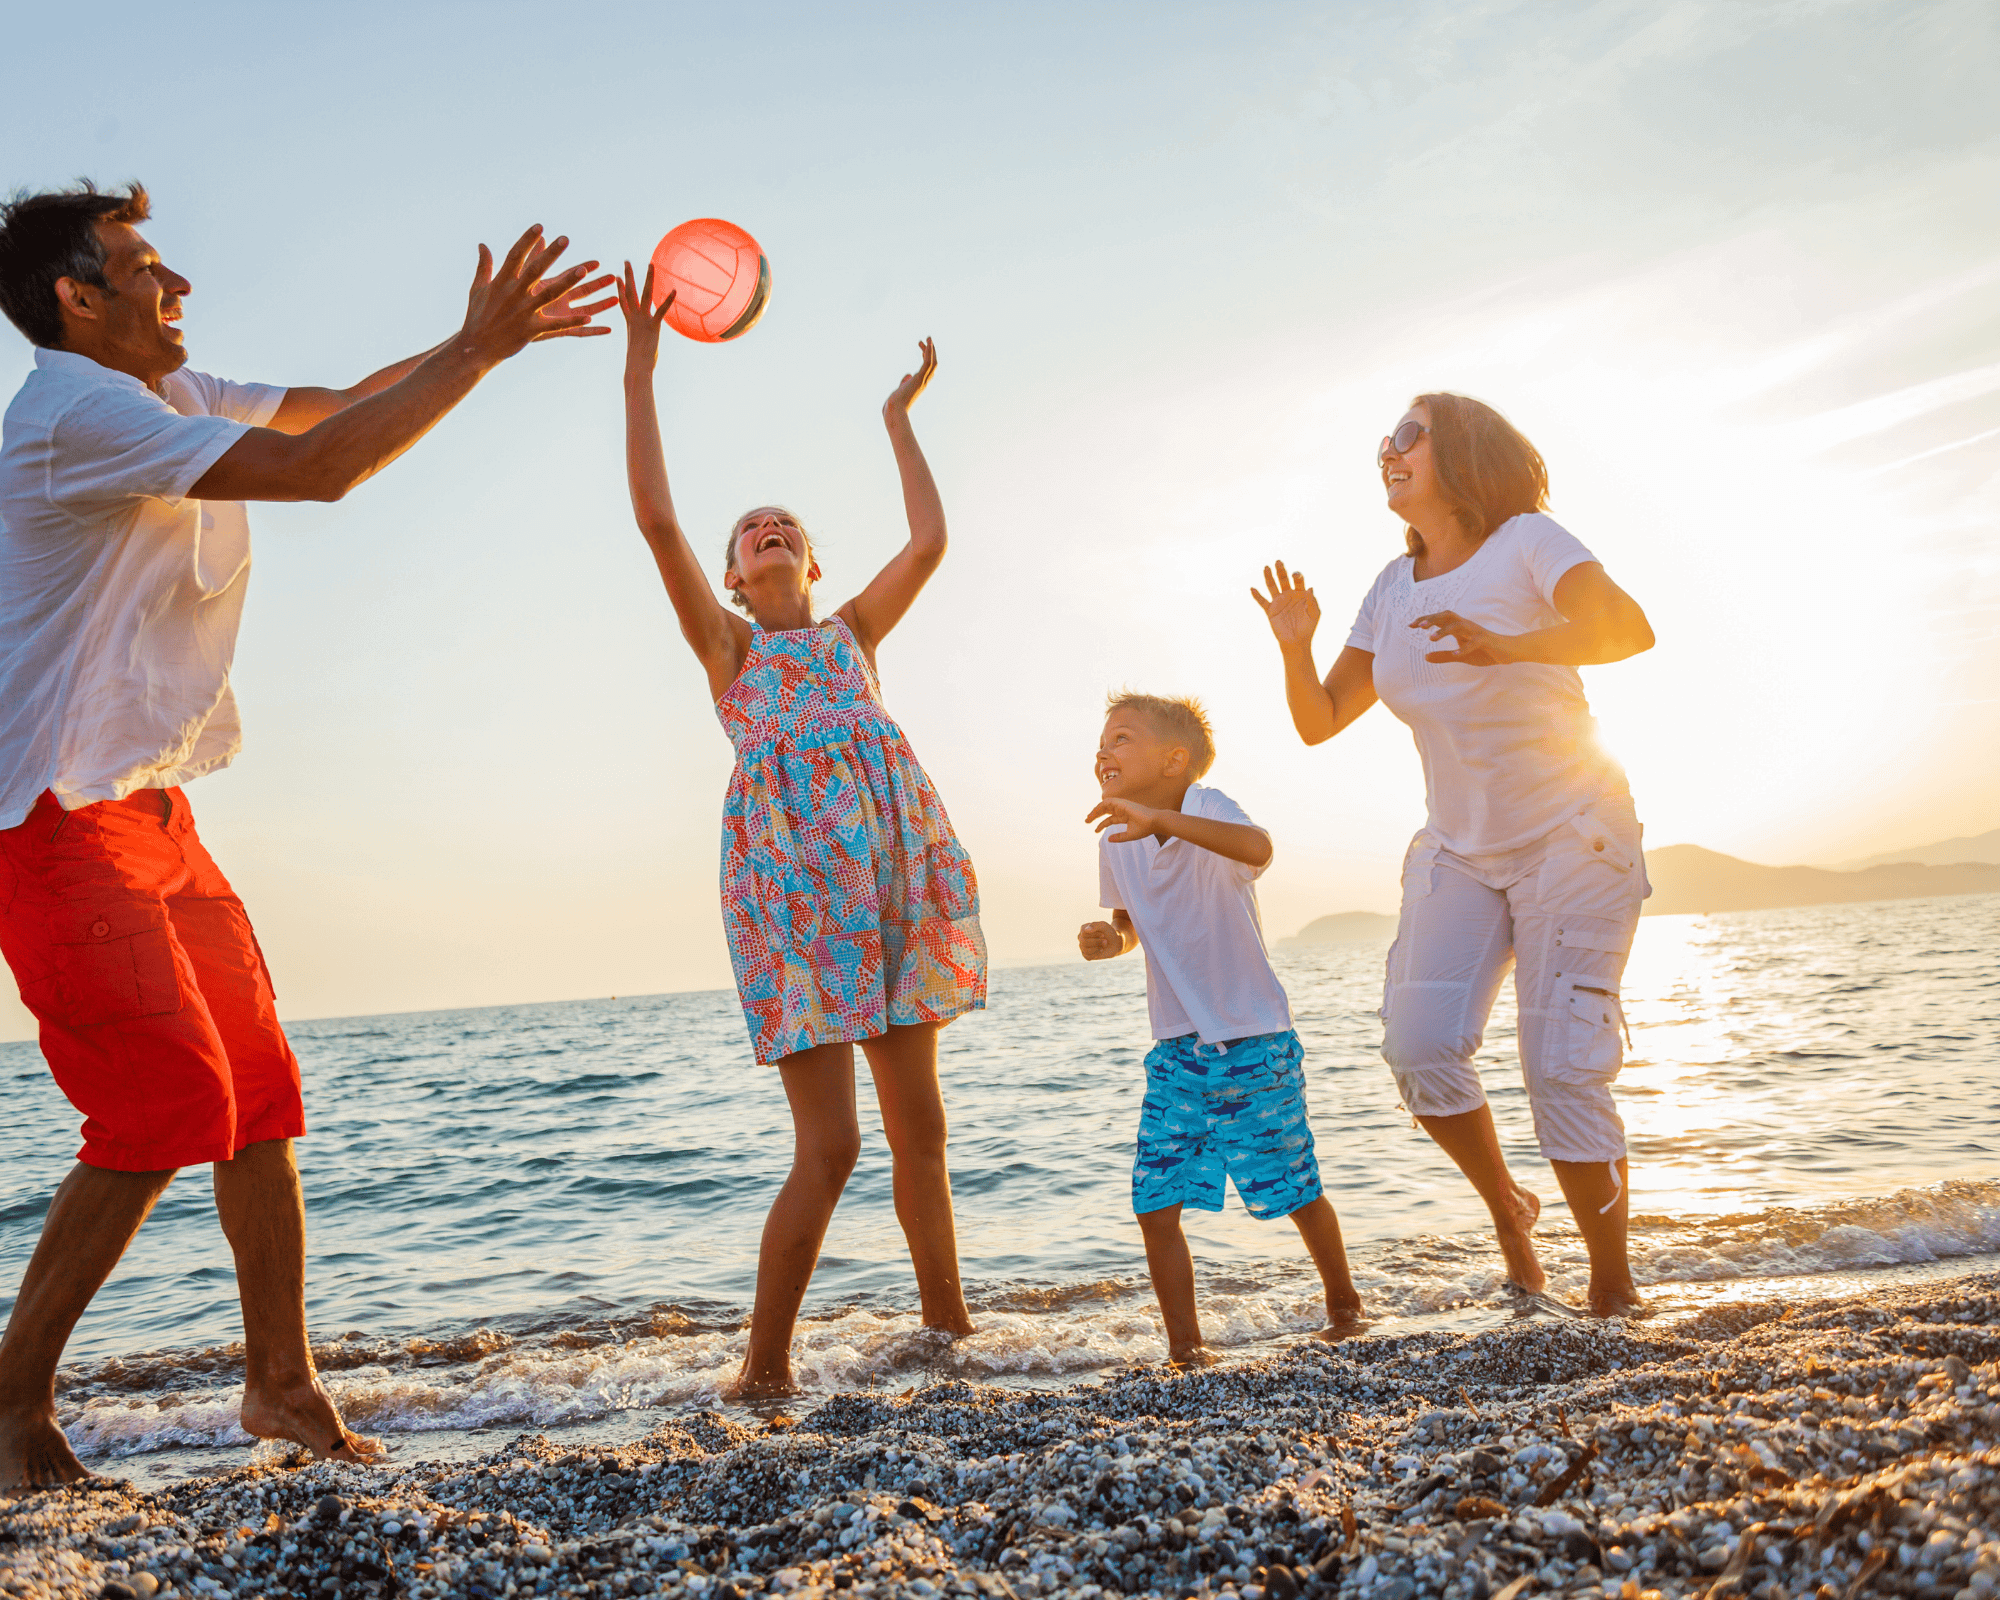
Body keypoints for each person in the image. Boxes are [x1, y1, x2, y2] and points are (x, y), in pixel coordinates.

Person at [0, 180, 615, 1489]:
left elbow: (332, 409)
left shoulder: (171, 395)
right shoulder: (70, 413)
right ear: (77, 298)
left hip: (153, 812)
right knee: (168, 1099)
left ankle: (280, 1385)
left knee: (258, 1093)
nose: (179, 291)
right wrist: (477, 350)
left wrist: (475, 347)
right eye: (149, 271)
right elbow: (321, 473)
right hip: (48, 820)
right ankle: (9, 1406)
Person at [616, 262, 985, 1398]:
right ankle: (761, 1365)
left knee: (918, 1129)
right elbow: (655, 517)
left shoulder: (853, 633)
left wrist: (895, 419)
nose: (766, 531)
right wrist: (642, 364)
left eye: (786, 527)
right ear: (733, 575)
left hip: (890, 880)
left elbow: (928, 539)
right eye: (749, 533)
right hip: (793, 901)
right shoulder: (730, 651)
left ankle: (947, 1337)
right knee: (831, 1146)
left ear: (812, 563)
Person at [1252, 392, 1656, 1318]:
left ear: (1462, 453)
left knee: (1560, 1068)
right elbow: (1319, 722)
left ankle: (1611, 1285)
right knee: (1421, 1049)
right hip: (1460, 851)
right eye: (1384, 439)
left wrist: (1508, 646)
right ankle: (1512, 1212)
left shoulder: (1529, 542)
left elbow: (1629, 628)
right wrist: (1295, 646)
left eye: (1408, 436)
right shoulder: (1392, 587)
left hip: (1574, 834)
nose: (1387, 450)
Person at [1078, 692, 1364, 1363]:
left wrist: (1162, 820)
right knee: (1155, 1199)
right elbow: (1131, 927)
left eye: (1121, 738)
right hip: (1176, 1046)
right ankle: (1186, 1347)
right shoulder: (1114, 839)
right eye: (1101, 742)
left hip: (1251, 1035)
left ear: (1175, 761)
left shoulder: (1207, 807)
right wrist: (1108, 941)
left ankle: (1344, 1304)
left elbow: (1256, 846)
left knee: (1293, 1185)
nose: (1103, 753)